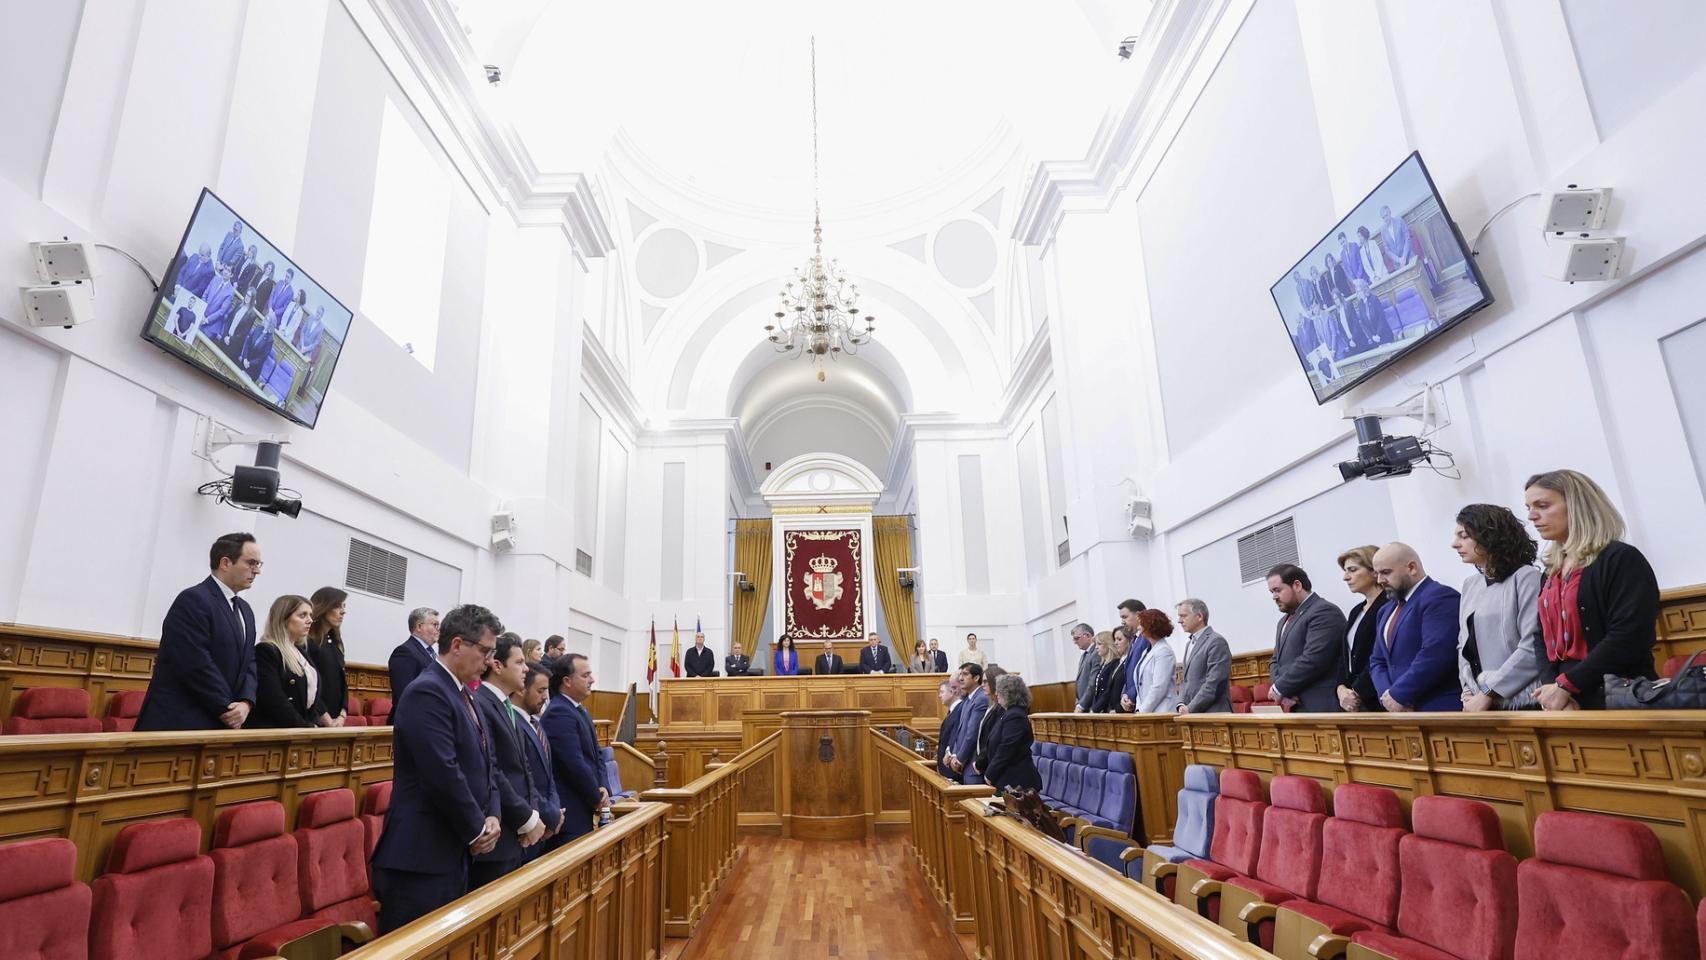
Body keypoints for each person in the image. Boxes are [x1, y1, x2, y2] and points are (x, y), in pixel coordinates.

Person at [370, 604, 503, 933]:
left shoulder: (464, 695)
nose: (488, 662)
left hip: (451, 851)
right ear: (457, 645)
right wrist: (477, 828)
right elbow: (442, 773)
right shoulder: (427, 691)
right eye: (484, 651)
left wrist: (492, 816)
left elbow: (488, 766)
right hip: (420, 860)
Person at [1526, 469, 1661, 710]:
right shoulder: (1551, 571)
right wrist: (1553, 691)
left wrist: (1567, 685)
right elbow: (1540, 637)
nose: (1532, 516)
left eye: (1542, 505)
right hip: (1564, 698)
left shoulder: (1620, 559)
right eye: (1529, 507)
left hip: (1616, 694)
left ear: (1577, 506)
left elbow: (1629, 636)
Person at [135, 533, 260, 731]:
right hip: (181, 721)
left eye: (259, 564)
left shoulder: (245, 610)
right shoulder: (194, 600)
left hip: (224, 722)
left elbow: (250, 661)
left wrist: (245, 702)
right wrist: (227, 708)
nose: (257, 571)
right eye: (251, 563)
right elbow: (194, 662)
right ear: (226, 563)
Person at [469, 636, 547, 888]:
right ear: (498, 666)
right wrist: (527, 819)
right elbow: (494, 770)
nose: (526, 668)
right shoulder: (481, 703)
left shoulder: (505, 705)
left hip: (516, 832)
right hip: (497, 837)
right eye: (519, 662)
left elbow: (525, 768)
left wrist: (532, 814)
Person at [1453, 504, 1544, 711]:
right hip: (1478, 699)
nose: (1455, 544)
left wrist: (1491, 691)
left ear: (1490, 536)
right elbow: (1463, 643)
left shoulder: (1526, 577)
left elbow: (1532, 643)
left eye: (1464, 535)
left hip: (1520, 699)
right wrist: (1468, 688)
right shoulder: (1471, 584)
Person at [1368, 543, 1463, 712]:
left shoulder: (1439, 597)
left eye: (1386, 572)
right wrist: (1388, 697)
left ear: (1412, 568)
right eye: (1377, 574)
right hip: (1398, 710)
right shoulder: (1385, 610)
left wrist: (1399, 695)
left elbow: (1436, 654)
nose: (1380, 580)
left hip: (1437, 707)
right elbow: (1377, 660)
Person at [540, 653, 608, 844]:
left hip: (584, 806)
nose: (592, 680)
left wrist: (603, 787)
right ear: (567, 681)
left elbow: (597, 755)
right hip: (571, 813)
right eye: (585, 676)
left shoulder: (580, 710)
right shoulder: (559, 712)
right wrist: (596, 796)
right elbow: (574, 764)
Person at [1266, 564, 1348, 712]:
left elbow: (1314, 658)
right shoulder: (1283, 621)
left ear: (1297, 585)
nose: (1274, 597)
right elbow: (1275, 660)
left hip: (1321, 706)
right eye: (1271, 592)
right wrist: (1283, 689)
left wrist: (1281, 687)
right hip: (1296, 705)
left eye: (1277, 590)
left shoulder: (1323, 611)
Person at [248, 595, 332, 728]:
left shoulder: (301, 652)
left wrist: (315, 724)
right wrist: (303, 727)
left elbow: (310, 698)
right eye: (302, 615)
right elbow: (273, 700)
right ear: (284, 618)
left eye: (310, 615)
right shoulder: (267, 650)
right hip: (278, 731)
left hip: (302, 729)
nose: (310, 620)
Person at [514, 661, 565, 860]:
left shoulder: (536, 723)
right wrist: (551, 816)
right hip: (530, 826)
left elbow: (549, 776)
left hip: (547, 825)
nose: (545, 697)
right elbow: (526, 780)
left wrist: (555, 814)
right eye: (541, 690)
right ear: (521, 690)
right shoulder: (515, 725)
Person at [1334, 547, 1387, 713]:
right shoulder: (1356, 611)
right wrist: (1341, 689)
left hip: (1377, 696)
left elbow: (1380, 654)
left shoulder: (1388, 605)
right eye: (1345, 571)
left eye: (1352, 570)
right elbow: (1346, 656)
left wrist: (1357, 692)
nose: (1345, 577)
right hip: (1351, 699)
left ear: (1374, 571)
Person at [982, 675, 1042, 792]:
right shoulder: (1007, 713)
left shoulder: (1015, 716)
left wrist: (990, 773)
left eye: (999, 691)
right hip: (1007, 779)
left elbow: (1007, 748)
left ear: (1009, 693)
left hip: (1017, 781)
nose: (997, 694)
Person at [1175, 600, 1231, 714]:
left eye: (1183, 616)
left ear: (1199, 616)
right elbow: (1185, 680)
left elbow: (1214, 682)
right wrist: (1181, 703)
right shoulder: (1189, 644)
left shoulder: (1216, 641)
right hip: (1193, 714)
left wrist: (1190, 708)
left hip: (1215, 714)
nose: (1179, 620)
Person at [307, 587, 351, 726]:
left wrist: (342, 715)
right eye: (338, 606)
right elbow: (309, 685)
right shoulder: (308, 642)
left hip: (336, 719)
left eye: (344, 606)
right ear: (324, 607)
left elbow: (342, 683)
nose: (343, 611)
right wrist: (326, 718)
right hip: (315, 718)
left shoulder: (335, 642)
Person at [388, 607, 440, 720]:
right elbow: (403, 695)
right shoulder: (404, 652)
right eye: (435, 625)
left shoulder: (432, 653)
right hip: (411, 722)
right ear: (419, 627)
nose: (438, 629)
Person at [942, 663, 987, 783]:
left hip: (972, 764)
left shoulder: (981, 698)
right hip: (964, 764)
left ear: (976, 678)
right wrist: (954, 755)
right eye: (960, 674)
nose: (961, 678)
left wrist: (959, 759)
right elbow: (960, 732)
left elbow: (971, 734)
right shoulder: (968, 700)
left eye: (965, 674)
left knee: (975, 801)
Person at [1130, 610, 1178, 714]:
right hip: (1146, 712)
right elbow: (1140, 685)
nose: (1138, 628)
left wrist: (1142, 711)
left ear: (1150, 626)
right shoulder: (1146, 652)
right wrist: (1139, 708)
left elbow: (1159, 686)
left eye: (1141, 624)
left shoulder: (1164, 651)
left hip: (1161, 711)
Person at [970, 666, 1008, 779]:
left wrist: (980, 762)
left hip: (993, 768)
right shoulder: (993, 705)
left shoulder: (1002, 708)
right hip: (985, 763)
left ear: (995, 682)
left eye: (986, 681)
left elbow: (995, 741)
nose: (982, 685)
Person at [1117, 599, 1151, 713]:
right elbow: (1129, 674)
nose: (1122, 621)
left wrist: (1130, 695)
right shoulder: (1134, 639)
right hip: (1132, 702)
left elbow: (1144, 674)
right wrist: (1124, 694)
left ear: (1138, 615)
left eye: (1125, 617)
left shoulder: (1147, 638)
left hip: (1143, 702)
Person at [1092, 630, 1129, 714]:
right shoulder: (1103, 664)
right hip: (1104, 709)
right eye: (1096, 644)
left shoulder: (1114, 663)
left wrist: (1096, 709)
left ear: (1108, 644)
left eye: (1099, 644)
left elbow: (1107, 690)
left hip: (1114, 709)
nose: (1096, 647)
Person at [934, 678, 963, 778]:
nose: (939, 695)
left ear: (951, 692)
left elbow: (957, 736)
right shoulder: (952, 711)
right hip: (946, 767)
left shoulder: (960, 709)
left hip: (952, 768)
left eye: (942, 692)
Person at [1070, 623, 1102, 713]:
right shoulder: (1084, 655)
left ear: (1087, 635)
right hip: (1083, 706)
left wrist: (1082, 705)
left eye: (1076, 638)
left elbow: (1093, 682)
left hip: (1091, 706)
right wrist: (1078, 703)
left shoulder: (1096, 653)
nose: (1075, 642)